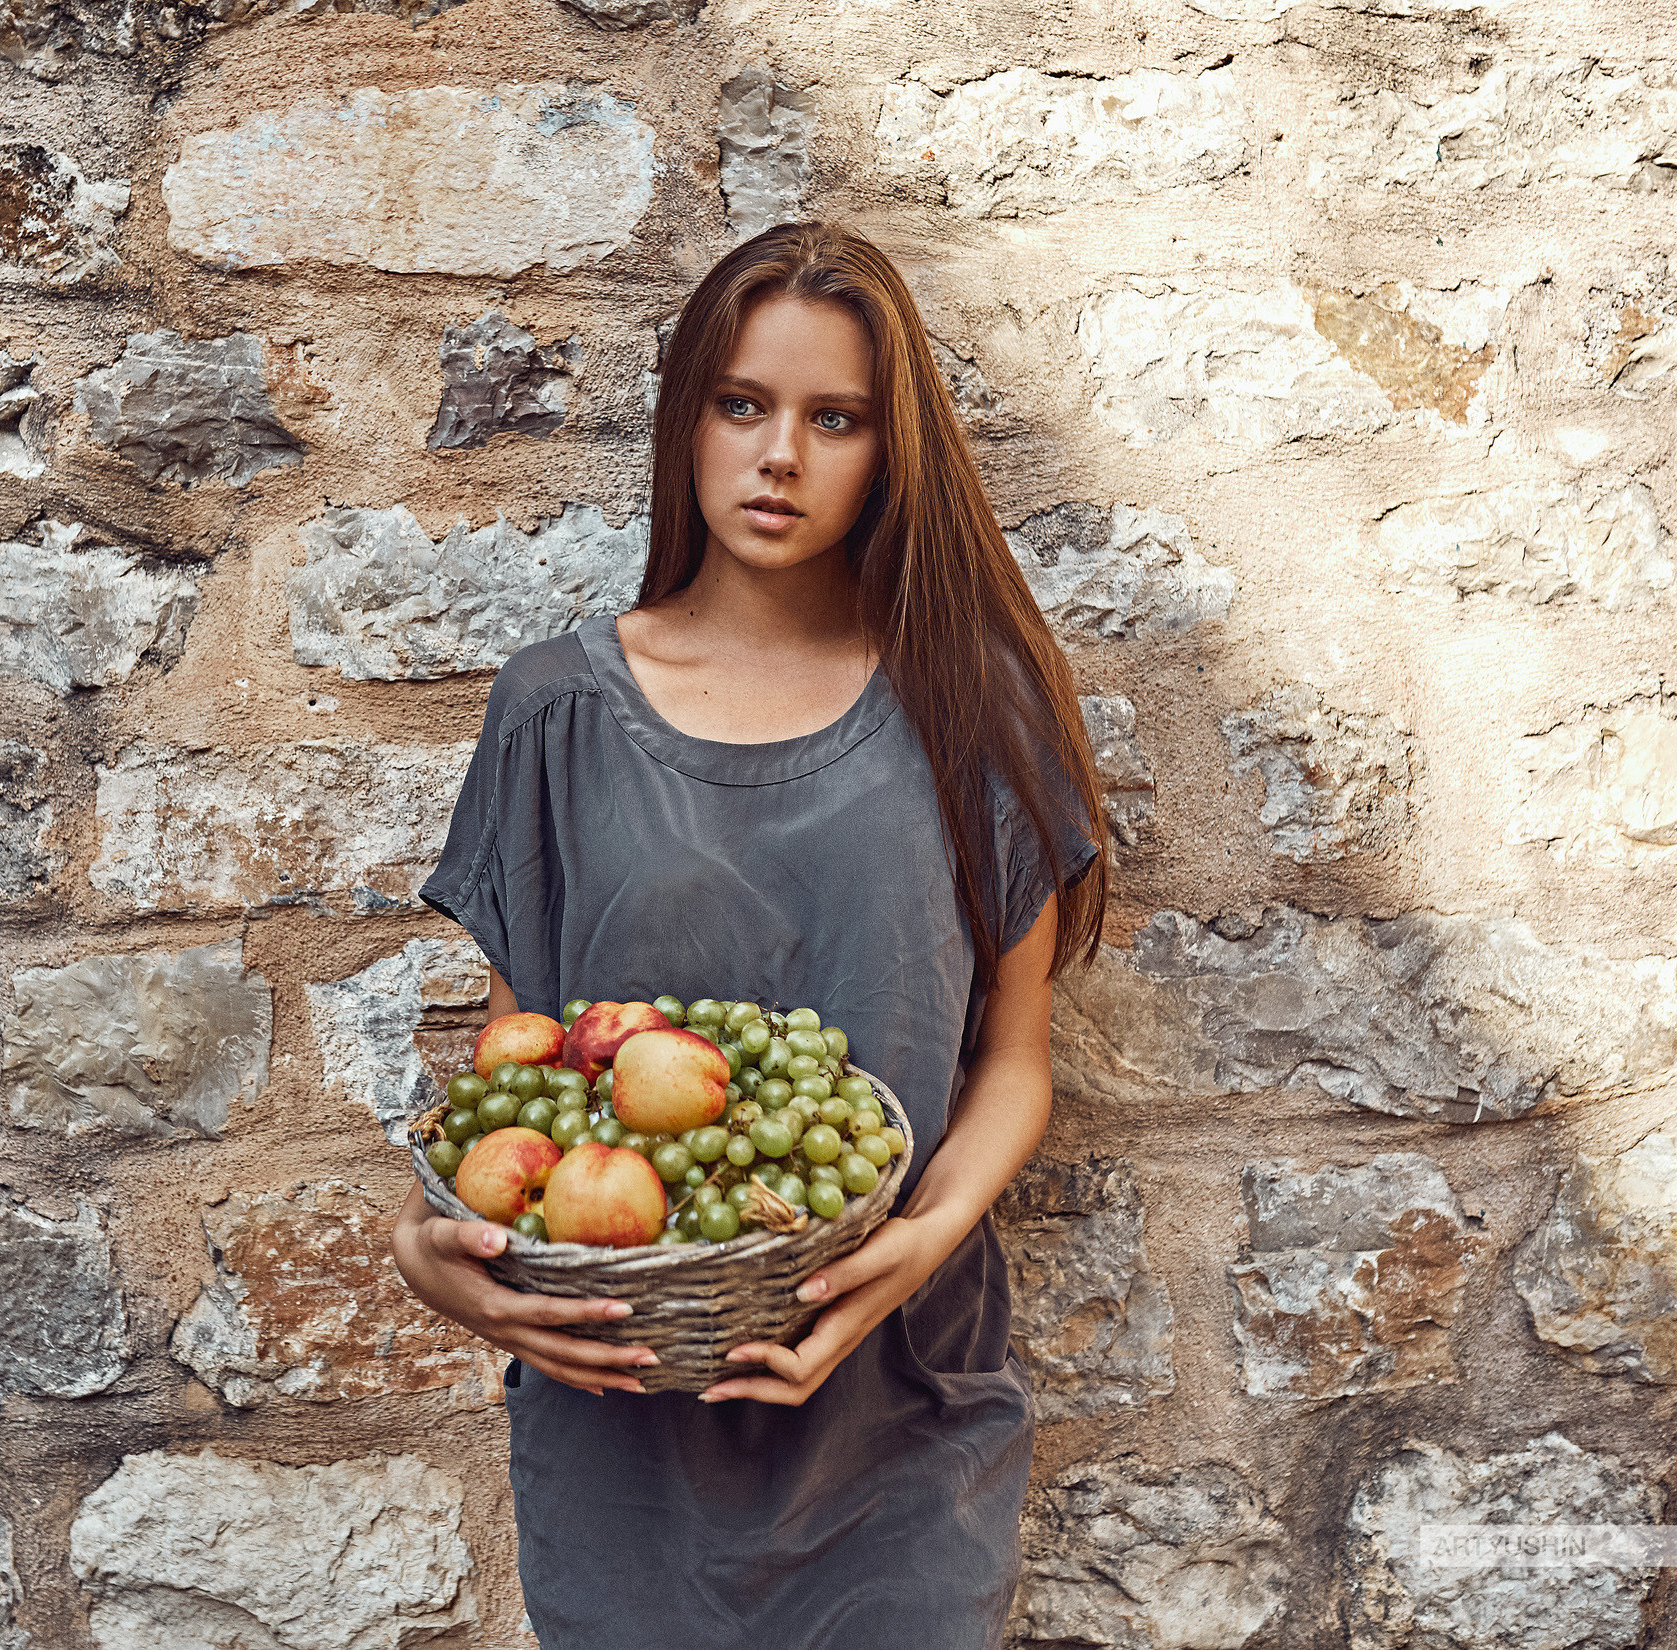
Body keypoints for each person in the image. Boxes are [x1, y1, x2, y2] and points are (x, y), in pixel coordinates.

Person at [390, 218, 1109, 1649]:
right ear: (688, 423)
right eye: (743, 404)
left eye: (833, 417)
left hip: (899, 1427)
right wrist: (437, 1256)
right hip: (623, 1442)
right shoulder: (556, 713)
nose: (780, 453)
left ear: (887, 448)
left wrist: (925, 1238)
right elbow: (525, 1074)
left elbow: (1014, 1062)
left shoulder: (976, 712)